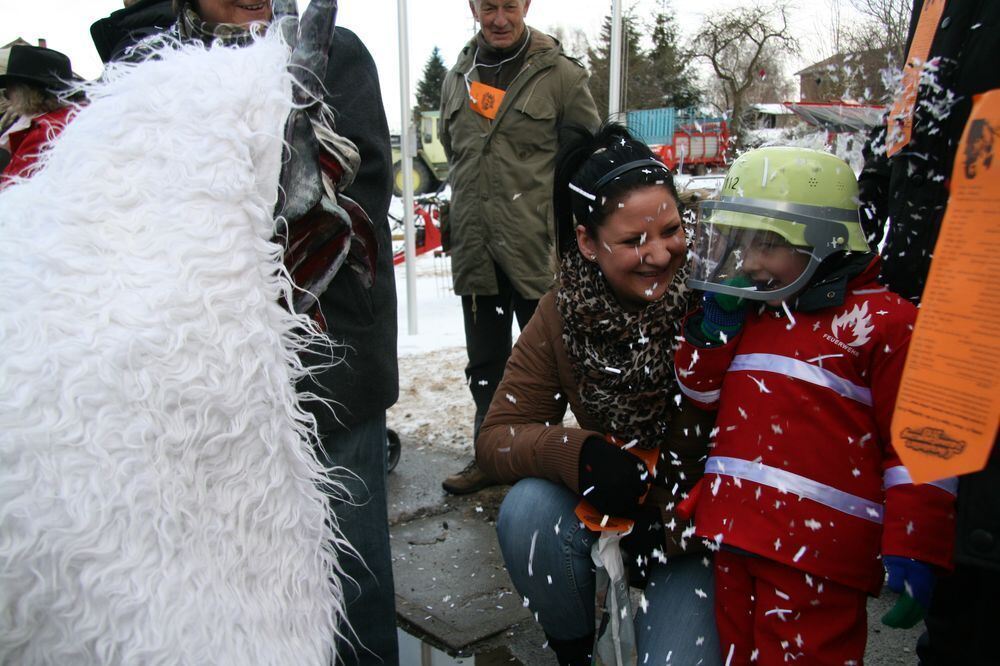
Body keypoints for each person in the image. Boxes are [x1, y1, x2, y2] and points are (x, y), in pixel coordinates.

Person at [89, 2, 400, 663]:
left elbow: (352, 201)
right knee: (233, 586)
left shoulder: (334, 55)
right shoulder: (152, 69)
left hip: (330, 376)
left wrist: (216, 224)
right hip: (204, 395)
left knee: (354, 582)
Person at [675, 146, 957, 665]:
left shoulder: (884, 323)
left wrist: (917, 541)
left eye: (768, 244)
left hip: (817, 550)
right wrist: (712, 331)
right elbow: (700, 393)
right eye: (742, 244)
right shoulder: (752, 311)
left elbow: (920, 441)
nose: (751, 262)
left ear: (825, 241)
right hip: (734, 531)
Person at [476, 124, 721, 666]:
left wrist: (667, 516)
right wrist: (581, 455)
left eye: (672, 230)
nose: (660, 254)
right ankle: (574, 652)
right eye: (634, 241)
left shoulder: (716, 300)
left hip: (697, 528)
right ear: (588, 242)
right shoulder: (564, 311)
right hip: (608, 512)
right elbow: (496, 438)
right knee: (526, 514)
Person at [857, 2, 1000, 664]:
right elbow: (905, 128)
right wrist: (859, 218)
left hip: (981, 296)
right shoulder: (933, 6)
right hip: (932, 306)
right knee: (945, 494)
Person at [438, 0, 600, 495]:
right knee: (485, 363)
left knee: (558, 363)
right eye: (489, 7)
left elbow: (587, 160)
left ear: (526, 5)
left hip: (538, 250)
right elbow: (455, 149)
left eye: (510, 5)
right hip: (476, 246)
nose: (499, 18)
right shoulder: (458, 76)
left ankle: (564, 458)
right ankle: (491, 455)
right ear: (473, 8)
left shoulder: (560, 77)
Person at [0, 45, 78, 186]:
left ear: (25, 93)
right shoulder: (68, 119)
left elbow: (11, 189)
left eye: (8, 93)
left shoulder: (44, 131)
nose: (8, 100)